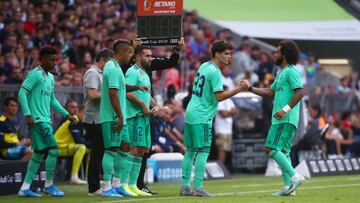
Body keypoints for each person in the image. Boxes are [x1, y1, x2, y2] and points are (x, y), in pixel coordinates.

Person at [180, 40, 247, 197]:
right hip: (202, 115)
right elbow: (219, 96)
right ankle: (198, 187)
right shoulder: (215, 71)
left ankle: (184, 186)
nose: (229, 57)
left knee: (190, 151)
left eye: (230, 53)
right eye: (226, 53)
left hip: (191, 111)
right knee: (203, 151)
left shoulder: (204, 66)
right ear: (217, 54)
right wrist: (239, 88)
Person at [243, 39, 305, 196]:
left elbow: (300, 92)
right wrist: (250, 88)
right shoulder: (282, 72)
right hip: (283, 119)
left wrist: (285, 109)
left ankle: (295, 176)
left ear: (285, 54)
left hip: (285, 118)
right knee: (283, 151)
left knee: (270, 148)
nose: (274, 54)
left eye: (277, 52)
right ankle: (288, 188)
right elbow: (270, 92)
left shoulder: (291, 71)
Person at [17, 46, 76, 197]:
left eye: (56, 60)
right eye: (51, 60)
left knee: (38, 154)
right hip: (38, 120)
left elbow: (52, 100)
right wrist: (28, 115)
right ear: (41, 59)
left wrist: (66, 114)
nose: (54, 63)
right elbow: (22, 92)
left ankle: (25, 188)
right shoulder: (35, 74)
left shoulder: (50, 77)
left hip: (45, 120)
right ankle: (49, 185)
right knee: (54, 150)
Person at [99, 39, 148, 197]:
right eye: (129, 52)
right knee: (111, 149)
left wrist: (137, 87)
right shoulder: (112, 68)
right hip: (112, 116)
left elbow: (121, 87)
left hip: (120, 117)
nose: (131, 56)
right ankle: (106, 187)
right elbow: (113, 94)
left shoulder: (117, 68)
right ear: (121, 52)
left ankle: (117, 184)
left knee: (125, 147)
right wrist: (120, 117)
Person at [120, 46, 161, 196]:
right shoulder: (132, 71)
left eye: (151, 55)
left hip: (144, 117)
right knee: (133, 150)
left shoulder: (145, 73)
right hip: (135, 115)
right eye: (148, 56)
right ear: (137, 57)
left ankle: (133, 185)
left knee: (141, 151)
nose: (151, 58)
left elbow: (147, 94)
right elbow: (127, 92)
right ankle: (124, 185)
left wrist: (155, 105)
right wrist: (143, 105)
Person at [82, 48, 113, 196]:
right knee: (96, 153)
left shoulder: (101, 74)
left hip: (101, 118)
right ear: (101, 60)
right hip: (93, 119)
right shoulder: (92, 73)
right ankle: (93, 188)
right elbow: (92, 95)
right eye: (108, 62)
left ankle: (96, 185)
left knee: (100, 152)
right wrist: (111, 94)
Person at [54, 101, 89, 184]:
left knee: (90, 149)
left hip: (66, 146)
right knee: (81, 147)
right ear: (79, 112)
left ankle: (88, 177)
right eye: (85, 113)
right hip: (57, 147)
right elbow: (78, 140)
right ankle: (74, 177)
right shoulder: (74, 120)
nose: (87, 116)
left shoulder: (83, 123)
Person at [214, 85, 238, 165]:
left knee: (226, 150)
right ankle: (220, 167)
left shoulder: (229, 100)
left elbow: (235, 111)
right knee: (222, 150)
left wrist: (229, 113)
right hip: (221, 129)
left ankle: (223, 167)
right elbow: (223, 114)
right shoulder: (219, 100)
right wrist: (231, 112)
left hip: (228, 129)